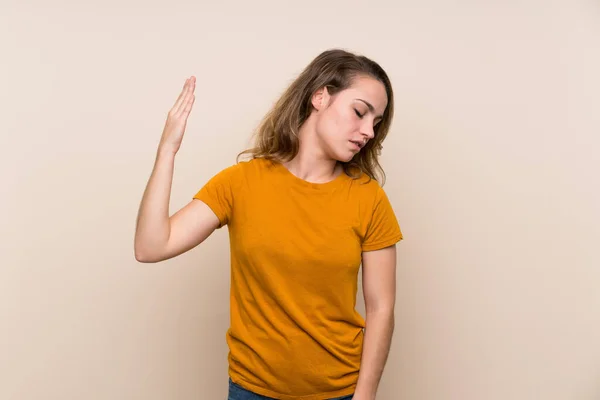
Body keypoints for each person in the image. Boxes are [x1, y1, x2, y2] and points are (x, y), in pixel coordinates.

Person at [134, 48, 403, 400]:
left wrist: (365, 394)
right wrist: (167, 150)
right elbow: (151, 246)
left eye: (376, 122)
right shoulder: (241, 183)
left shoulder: (369, 200)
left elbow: (381, 308)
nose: (368, 131)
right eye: (359, 112)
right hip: (251, 391)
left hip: (338, 392)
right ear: (319, 96)